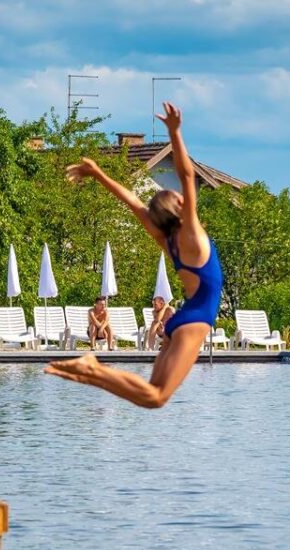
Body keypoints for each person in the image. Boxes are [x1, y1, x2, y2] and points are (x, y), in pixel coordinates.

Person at [45, 102, 222, 408]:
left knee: (153, 391)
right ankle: (91, 370)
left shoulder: (168, 240)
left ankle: (93, 371)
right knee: (156, 397)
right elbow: (187, 175)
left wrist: (98, 173)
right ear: (179, 208)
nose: (184, 197)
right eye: (180, 198)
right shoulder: (190, 233)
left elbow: (132, 201)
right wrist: (175, 133)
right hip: (195, 320)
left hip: (180, 319)